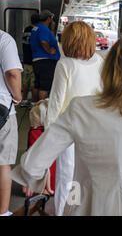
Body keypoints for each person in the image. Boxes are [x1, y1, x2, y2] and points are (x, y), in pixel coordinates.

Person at [11, 35, 122, 216]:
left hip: (90, 208)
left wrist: (35, 180)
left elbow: (32, 164)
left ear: (109, 69)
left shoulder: (80, 108)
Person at [22, 21, 104, 216]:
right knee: (85, 179)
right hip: (93, 130)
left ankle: (62, 213)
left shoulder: (65, 65)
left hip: (68, 133)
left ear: (69, 41)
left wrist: (48, 138)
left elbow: (56, 105)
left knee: (66, 179)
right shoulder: (99, 62)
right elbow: (102, 95)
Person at [0, 29, 22, 216]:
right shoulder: (4, 40)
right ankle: (2, 211)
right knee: (3, 163)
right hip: (2, 109)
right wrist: (18, 96)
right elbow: (12, 74)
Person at [30, 10, 60, 100]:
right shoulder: (43, 28)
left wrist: (52, 29)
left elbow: (45, 37)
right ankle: (42, 109)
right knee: (45, 86)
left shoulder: (36, 28)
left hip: (37, 60)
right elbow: (43, 41)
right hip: (46, 61)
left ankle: (34, 104)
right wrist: (49, 50)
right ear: (48, 18)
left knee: (37, 85)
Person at [21, 13, 39, 105]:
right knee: (33, 82)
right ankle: (33, 102)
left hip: (25, 59)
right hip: (33, 60)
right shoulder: (36, 31)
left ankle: (23, 100)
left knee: (25, 81)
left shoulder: (26, 30)